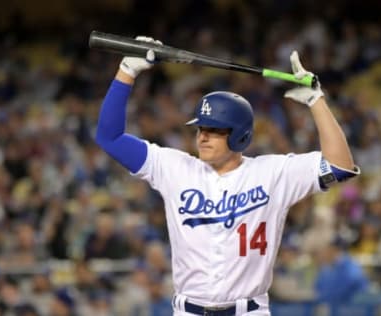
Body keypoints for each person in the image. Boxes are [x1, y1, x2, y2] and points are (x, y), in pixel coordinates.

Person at [95, 36, 360, 315]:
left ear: (240, 137)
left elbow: (339, 167)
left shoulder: (272, 172)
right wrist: (127, 70)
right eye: (200, 129)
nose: (203, 137)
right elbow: (109, 138)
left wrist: (316, 100)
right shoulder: (173, 167)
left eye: (215, 130)